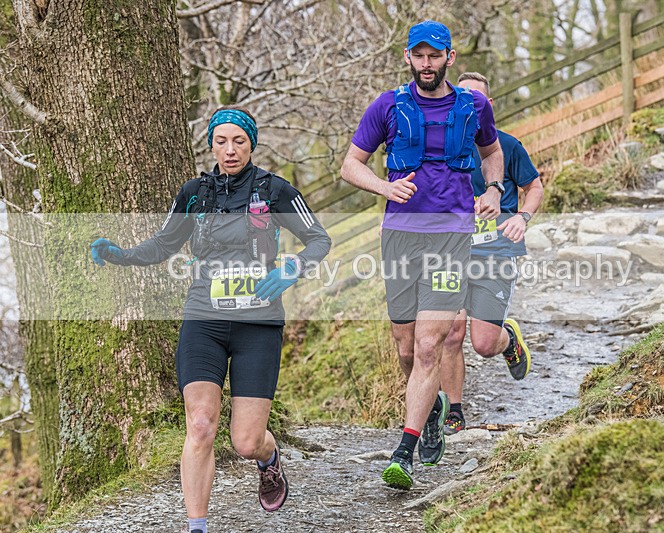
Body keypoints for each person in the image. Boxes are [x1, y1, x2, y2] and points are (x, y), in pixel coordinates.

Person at [90, 106, 331, 533]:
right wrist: (122, 256)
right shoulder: (194, 194)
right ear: (211, 145)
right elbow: (163, 244)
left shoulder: (276, 190)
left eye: (239, 140)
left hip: (258, 324)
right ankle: (196, 526)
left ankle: (269, 459)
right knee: (200, 424)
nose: (230, 149)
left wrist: (292, 268)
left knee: (245, 442)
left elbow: (318, 239)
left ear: (251, 144)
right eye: (221, 140)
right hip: (204, 318)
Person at [340, 20, 505, 490]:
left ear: (450, 57)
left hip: (452, 233)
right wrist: (385, 186)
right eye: (419, 55)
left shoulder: (474, 105)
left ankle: (404, 450)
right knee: (407, 347)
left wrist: (492, 188)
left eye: (435, 56)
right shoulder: (388, 105)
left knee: (431, 345)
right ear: (408, 58)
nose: (427, 64)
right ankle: (429, 409)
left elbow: (491, 152)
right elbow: (351, 165)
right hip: (399, 234)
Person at [440, 72, 544, 435]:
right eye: (461, 97)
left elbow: (534, 186)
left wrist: (522, 218)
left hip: (496, 253)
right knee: (452, 333)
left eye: (476, 99)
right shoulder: (441, 147)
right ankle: (454, 410)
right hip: (450, 255)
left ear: (488, 105)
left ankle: (508, 339)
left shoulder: (507, 146)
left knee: (483, 344)